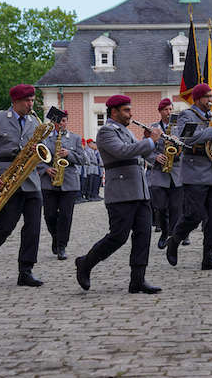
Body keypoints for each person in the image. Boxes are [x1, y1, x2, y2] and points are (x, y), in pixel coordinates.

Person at [75, 94, 161, 294]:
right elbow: (123, 152)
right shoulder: (106, 132)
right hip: (121, 192)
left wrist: (152, 143)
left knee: (143, 234)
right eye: (126, 110)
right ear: (114, 112)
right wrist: (148, 142)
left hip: (139, 190)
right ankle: (86, 263)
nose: (131, 113)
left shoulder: (126, 131)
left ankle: (138, 280)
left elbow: (141, 154)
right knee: (118, 236)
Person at [0, 84, 47, 287]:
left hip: (31, 180)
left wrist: (37, 148)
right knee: (5, 226)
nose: (30, 104)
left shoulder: (34, 121)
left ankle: (26, 270)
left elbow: (43, 149)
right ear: (15, 101)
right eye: (27, 101)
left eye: (32, 100)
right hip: (6, 179)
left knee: (33, 227)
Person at [166, 83, 212, 271]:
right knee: (194, 215)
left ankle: (208, 257)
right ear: (198, 98)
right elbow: (186, 140)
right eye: (208, 97)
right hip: (195, 171)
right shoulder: (187, 115)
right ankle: (174, 240)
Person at [40, 111, 85, 261]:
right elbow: (37, 157)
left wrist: (69, 154)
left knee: (66, 216)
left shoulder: (75, 138)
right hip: (49, 181)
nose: (61, 124)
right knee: (49, 215)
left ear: (67, 122)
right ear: (54, 123)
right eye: (59, 121)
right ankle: (56, 237)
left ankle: (62, 246)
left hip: (69, 182)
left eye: (64, 121)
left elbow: (83, 159)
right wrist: (45, 169)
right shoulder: (45, 138)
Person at [147, 98, 183, 249]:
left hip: (176, 172)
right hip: (159, 173)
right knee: (160, 207)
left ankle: (172, 237)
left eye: (170, 109)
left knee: (176, 208)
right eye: (166, 110)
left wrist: (178, 143)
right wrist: (155, 157)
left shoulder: (179, 128)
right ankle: (163, 231)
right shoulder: (153, 128)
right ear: (160, 111)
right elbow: (145, 149)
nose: (168, 112)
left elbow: (187, 146)